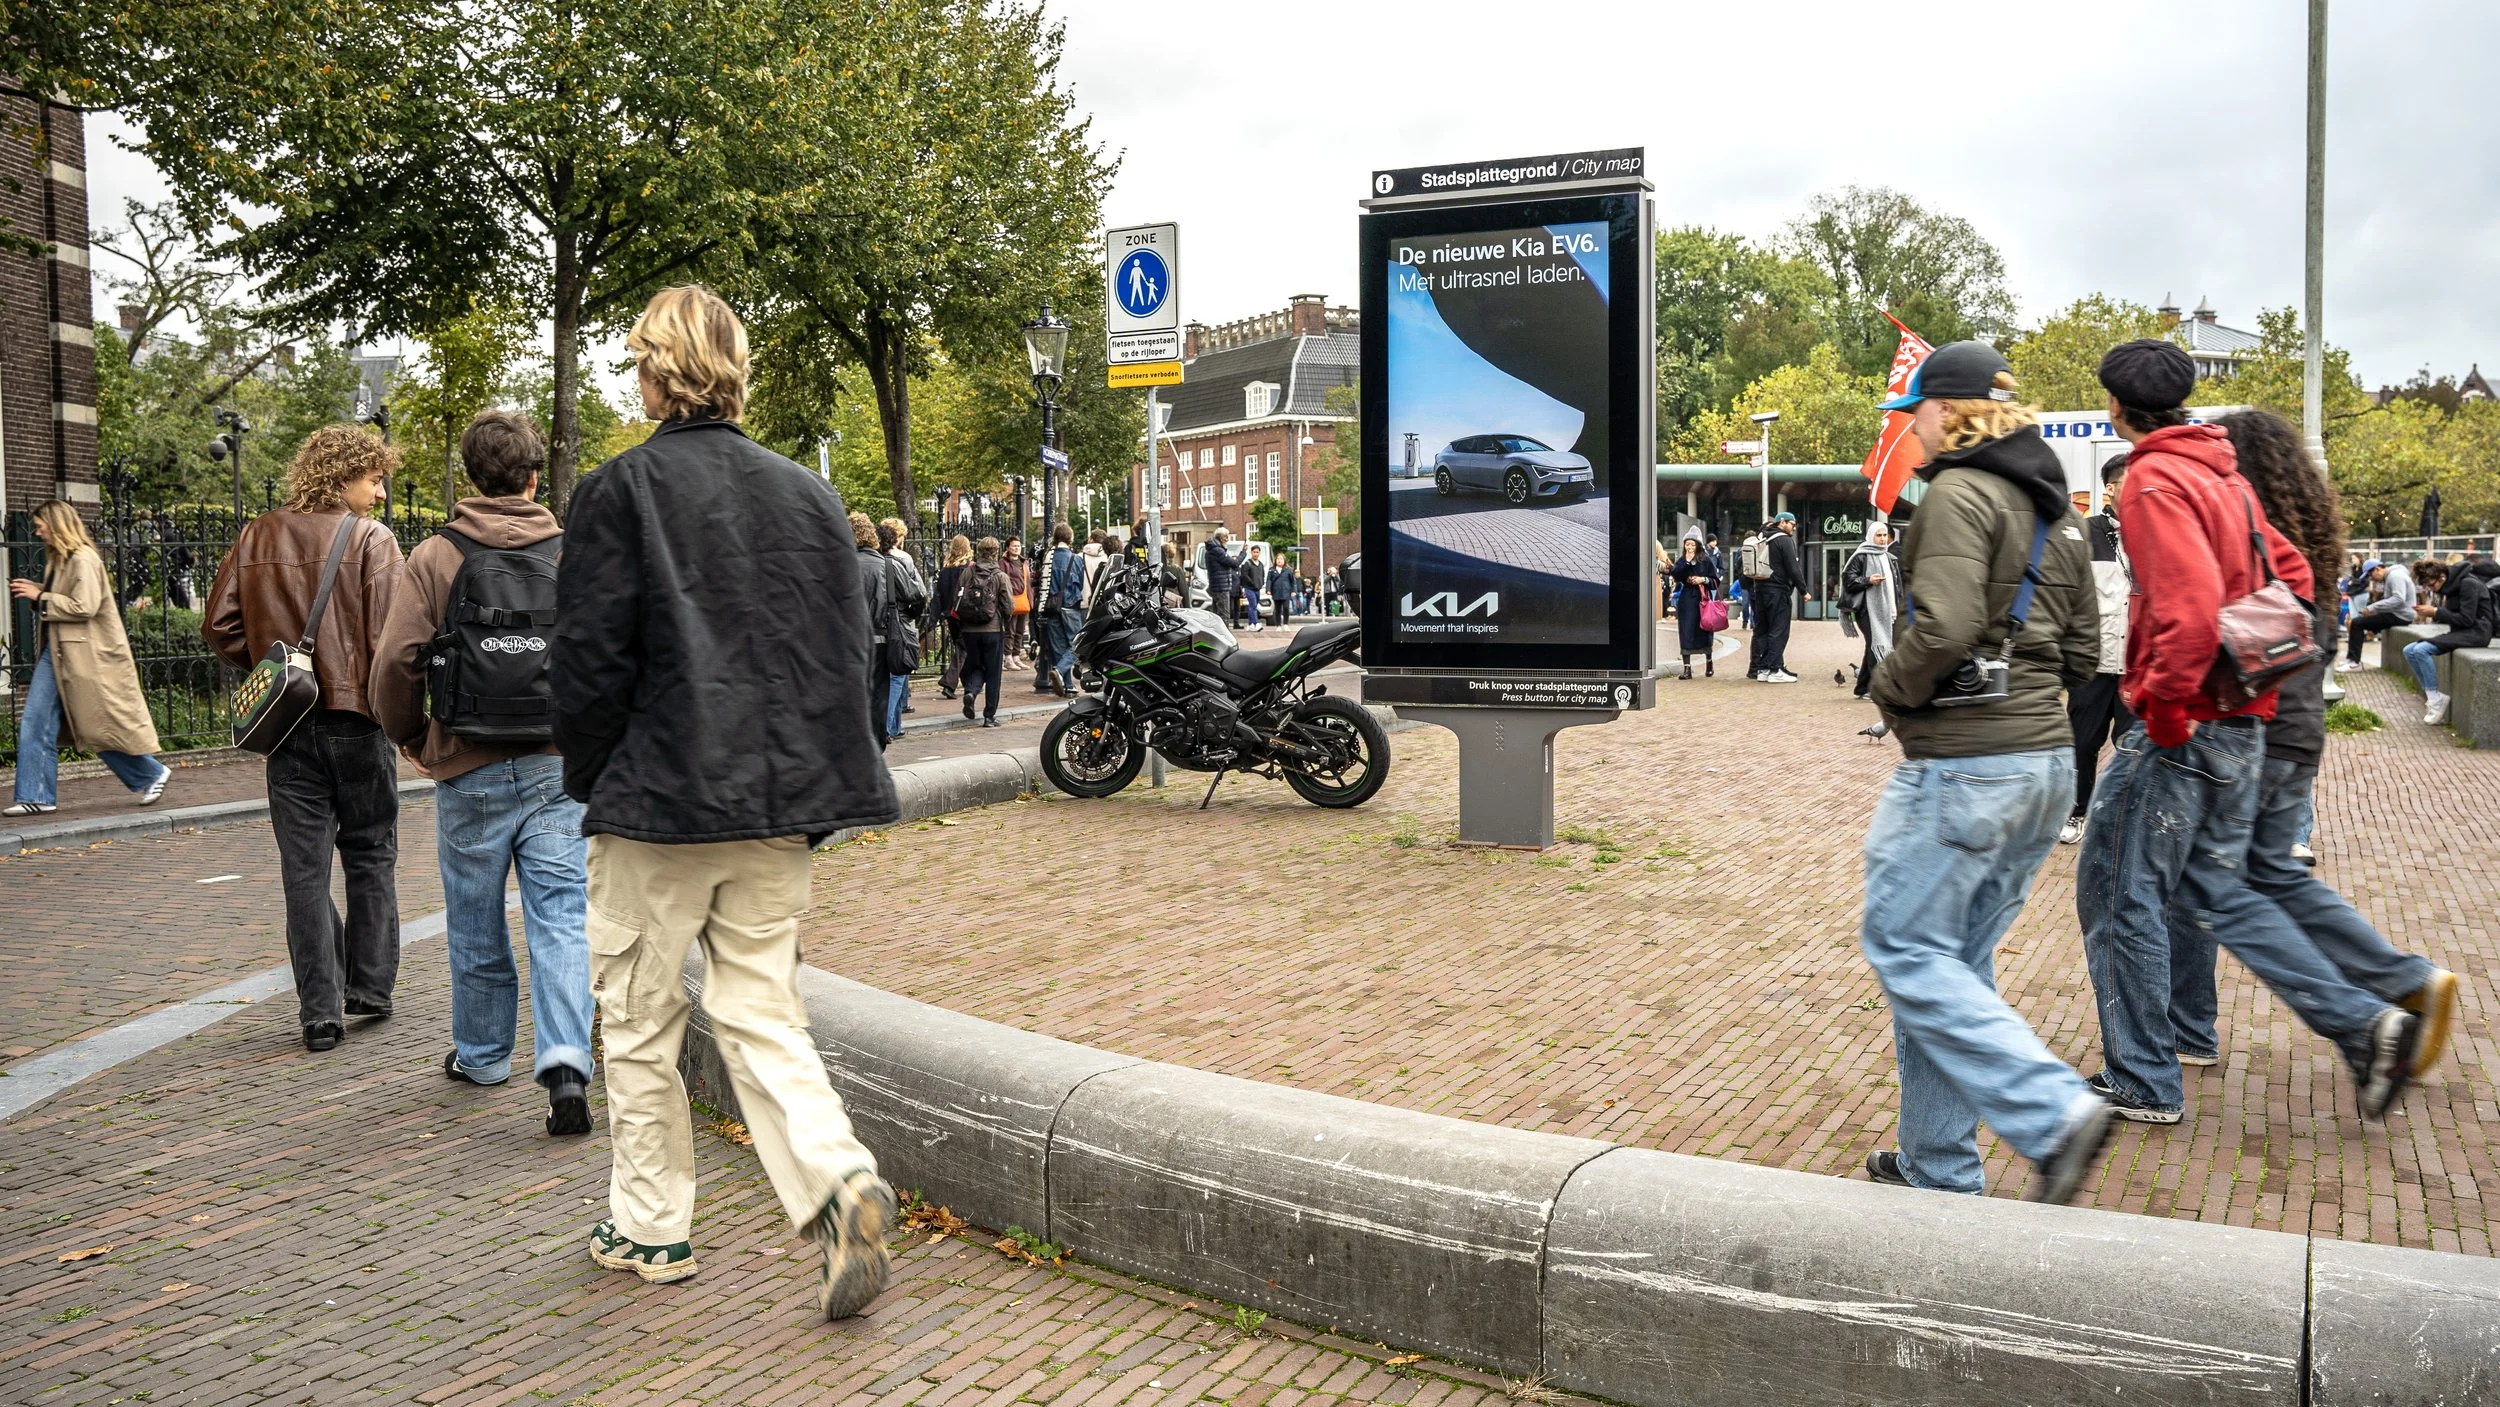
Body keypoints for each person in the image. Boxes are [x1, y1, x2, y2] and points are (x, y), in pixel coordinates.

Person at [551, 284, 899, 1316]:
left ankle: (651, 1228)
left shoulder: (621, 491)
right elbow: (841, 657)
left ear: (656, 371)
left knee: (639, 1021)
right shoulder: (809, 496)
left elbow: (588, 664)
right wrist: (818, 791)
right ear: (737, 369)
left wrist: (597, 775)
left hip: (658, 801)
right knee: (763, 1012)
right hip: (778, 800)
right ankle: (836, 1180)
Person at [2077, 339, 2418, 1126]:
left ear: (2116, 407)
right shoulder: (2223, 472)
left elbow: (2189, 614)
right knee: (2217, 892)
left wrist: (2163, 712)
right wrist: (2254, 670)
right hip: (2244, 723)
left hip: (2187, 726)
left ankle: (2143, 1076)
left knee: (2118, 888)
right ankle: (2365, 1023)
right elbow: (2297, 577)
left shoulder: (2155, 479)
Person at [1856, 340, 2113, 1203]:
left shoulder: (1959, 492)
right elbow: (2083, 653)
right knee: (1950, 965)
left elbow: (1946, 626)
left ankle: (2052, 1113)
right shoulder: (2060, 511)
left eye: (1916, 415)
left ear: (1950, 411)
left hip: (1968, 767)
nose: (1912, 434)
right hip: (2044, 766)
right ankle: (1940, 1168)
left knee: (1902, 943)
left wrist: (1892, 692)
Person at [2191, 408, 2460, 1081]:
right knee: (2274, 871)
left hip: (2258, 725)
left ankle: (2362, 1017)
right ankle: (2407, 979)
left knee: (2211, 885)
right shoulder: (2312, 539)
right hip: (2302, 728)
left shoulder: (2249, 533)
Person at [367, 410, 593, 1133]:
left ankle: (485, 1053)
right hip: (559, 761)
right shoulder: (574, 552)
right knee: (559, 914)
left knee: (473, 914)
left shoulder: (436, 556)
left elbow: (395, 663)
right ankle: (565, 1061)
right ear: (533, 477)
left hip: (468, 762)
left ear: (471, 476)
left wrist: (411, 734)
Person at [202, 424, 405, 1052]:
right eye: (373, 479)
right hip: (357, 720)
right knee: (370, 851)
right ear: (344, 476)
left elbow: (218, 625)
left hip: (286, 724)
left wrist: (274, 665)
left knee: (304, 869)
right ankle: (368, 987)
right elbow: (394, 642)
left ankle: (319, 1011)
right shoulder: (372, 540)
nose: (378, 492)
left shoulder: (258, 534)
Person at [6, 501, 170, 817]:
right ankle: (37, 795)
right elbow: (67, 598)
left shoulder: (82, 559)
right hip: (59, 652)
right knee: (41, 721)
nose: (37, 532)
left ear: (56, 525)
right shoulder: (61, 560)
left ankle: (150, 773)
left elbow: (85, 606)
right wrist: (39, 591)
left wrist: (40, 596)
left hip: (83, 656)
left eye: (41, 525)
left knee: (89, 725)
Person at [2062, 455, 2133, 844]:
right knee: (2083, 744)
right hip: (2092, 664)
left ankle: (2120, 820)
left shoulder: (2156, 534)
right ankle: (2075, 811)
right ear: (2110, 488)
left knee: (2132, 748)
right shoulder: (2084, 533)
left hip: (2135, 668)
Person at [2401, 557, 2494, 725]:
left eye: (2432, 585)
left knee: (2421, 650)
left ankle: (2436, 699)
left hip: (2477, 633)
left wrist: (2436, 612)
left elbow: (2466, 619)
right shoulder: (2451, 587)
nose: (2432, 589)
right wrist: (2434, 612)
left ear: (2442, 577)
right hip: (2462, 632)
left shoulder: (2468, 584)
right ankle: (2434, 696)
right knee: (2409, 650)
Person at [952, 536, 1014, 726]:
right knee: (993, 673)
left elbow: (957, 598)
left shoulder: (967, 573)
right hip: (992, 629)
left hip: (970, 629)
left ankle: (971, 691)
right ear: (996, 552)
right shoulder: (1000, 576)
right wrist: (1004, 619)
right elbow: (1009, 606)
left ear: (979, 551)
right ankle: (989, 715)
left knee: (976, 665)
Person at [852, 513, 900, 752]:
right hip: (881, 637)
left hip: (851, 639)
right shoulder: (887, 565)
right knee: (880, 692)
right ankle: (877, 743)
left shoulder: (844, 564)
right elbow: (917, 595)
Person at [1840, 523, 1899, 702]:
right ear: (1871, 536)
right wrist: (1868, 580)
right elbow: (1848, 579)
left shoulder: (1888, 557)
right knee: (1877, 644)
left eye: (1884, 536)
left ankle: (1863, 687)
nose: (1882, 539)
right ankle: (1876, 689)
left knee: (1873, 646)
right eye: (1878, 535)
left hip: (1886, 609)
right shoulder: (1860, 555)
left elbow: (1896, 586)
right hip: (1867, 609)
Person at [877, 520, 924, 740]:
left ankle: (895, 725)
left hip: (879, 623)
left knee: (894, 676)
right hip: (900, 623)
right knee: (897, 676)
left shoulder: (870, 559)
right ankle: (888, 726)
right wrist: (911, 616)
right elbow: (919, 593)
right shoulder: (902, 559)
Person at [1746, 513, 1801, 682]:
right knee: (1779, 630)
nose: (1794, 527)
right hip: (1777, 591)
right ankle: (1775, 669)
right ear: (1782, 522)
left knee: (1762, 630)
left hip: (1760, 589)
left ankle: (1762, 669)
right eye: (1792, 523)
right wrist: (1803, 589)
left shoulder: (1763, 537)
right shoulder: (1783, 540)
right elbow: (1793, 568)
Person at [2337, 557, 2413, 670]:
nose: (2372, 579)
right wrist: (2375, 611)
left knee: (2357, 623)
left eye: (2371, 575)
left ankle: (2354, 662)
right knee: (2359, 622)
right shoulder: (2393, 575)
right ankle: (2352, 659)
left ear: (2377, 569)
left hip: (2401, 616)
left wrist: (2372, 608)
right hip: (2397, 613)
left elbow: (2398, 599)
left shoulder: (2395, 576)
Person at [1033, 524, 1082, 696]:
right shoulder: (1075, 559)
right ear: (1070, 538)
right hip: (1070, 606)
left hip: (1050, 607)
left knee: (1059, 647)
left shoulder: (1048, 557)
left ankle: (1068, 685)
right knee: (1077, 645)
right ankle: (1060, 671)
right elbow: (1079, 584)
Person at [1669, 535, 1719, 680]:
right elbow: (1676, 575)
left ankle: (1709, 662)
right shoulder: (1682, 559)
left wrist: (1702, 579)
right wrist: (1686, 562)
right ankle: (1687, 668)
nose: (1689, 548)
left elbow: (1715, 580)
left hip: (1703, 599)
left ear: (1698, 545)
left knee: (1705, 629)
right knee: (1686, 630)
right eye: (1687, 545)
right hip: (1687, 599)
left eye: (1692, 545)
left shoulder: (1706, 560)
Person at [930, 535, 971, 699]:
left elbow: (938, 594)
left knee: (960, 647)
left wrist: (936, 615)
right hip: (964, 613)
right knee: (964, 648)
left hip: (950, 614)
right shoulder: (968, 568)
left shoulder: (946, 570)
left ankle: (968, 683)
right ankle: (949, 682)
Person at [1001, 537, 1032, 665]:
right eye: (1014, 546)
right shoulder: (1003, 563)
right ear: (1008, 547)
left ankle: (1016, 656)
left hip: (1023, 599)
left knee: (1020, 629)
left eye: (1018, 546)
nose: (1017, 548)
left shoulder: (1024, 562)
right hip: (1011, 599)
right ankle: (1007, 656)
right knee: (1010, 630)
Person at [1202, 529, 1242, 626]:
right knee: (1224, 614)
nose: (1227, 539)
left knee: (1217, 614)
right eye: (1226, 537)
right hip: (1222, 586)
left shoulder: (1211, 550)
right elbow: (1234, 564)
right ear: (1221, 538)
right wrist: (1243, 553)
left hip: (1216, 586)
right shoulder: (1218, 551)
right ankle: (1224, 637)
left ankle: (1216, 636)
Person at [1239, 542, 1267, 631]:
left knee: (1254, 606)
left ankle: (1251, 624)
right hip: (1249, 588)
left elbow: (1262, 575)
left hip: (1257, 589)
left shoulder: (1261, 564)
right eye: (1254, 552)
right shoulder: (1248, 563)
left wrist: (1261, 583)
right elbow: (1244, 575)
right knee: (1253, 605)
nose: (1256, 554)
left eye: (1257, 552)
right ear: (1251, 553)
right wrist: (1252, 583)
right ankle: (1255, 623)